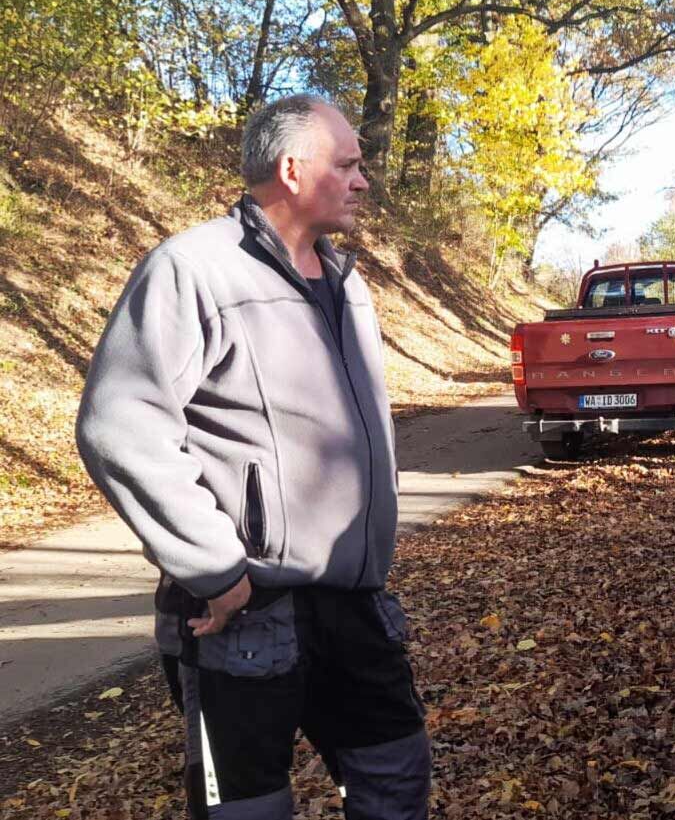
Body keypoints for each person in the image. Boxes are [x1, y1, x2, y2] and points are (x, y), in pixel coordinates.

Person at [75, 95, 430, 818]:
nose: (364, 181)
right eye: (349, 164)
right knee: (248, 808)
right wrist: (215, 566)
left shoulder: (346, 283)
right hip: (244, 615)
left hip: (354, 606)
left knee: (396, 776)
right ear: (293, 169)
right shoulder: (193, 270)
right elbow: (120, 423)